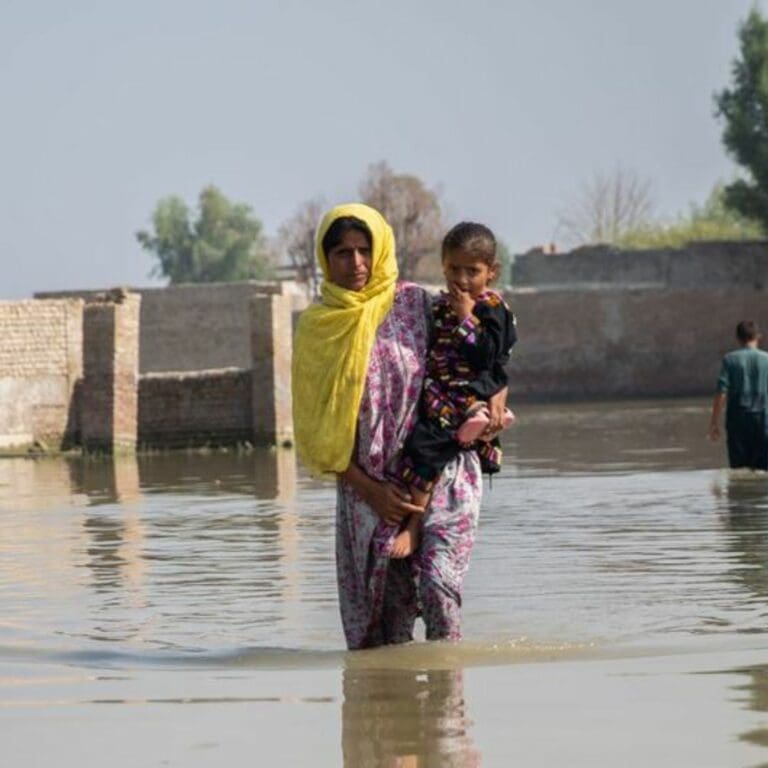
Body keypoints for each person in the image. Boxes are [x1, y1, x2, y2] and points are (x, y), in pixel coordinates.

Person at [292, 203, 484, 649]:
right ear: (326, 259)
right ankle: (394, 693)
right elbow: (316, 431)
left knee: (439, 586)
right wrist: (372, 491)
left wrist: (493, 404)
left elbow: (478, 354)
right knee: (386, 626)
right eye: (342, 253)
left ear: (379, 250)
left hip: (438, 468)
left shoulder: (417, 304)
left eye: (364, 250)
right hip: (369, 489)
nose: (356, 263)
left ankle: (449, 687)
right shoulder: (319, 329)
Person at [391, 222, 517, 559]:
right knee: (423, 442)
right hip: (440, 390)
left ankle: (414, 524)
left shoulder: (493, 308)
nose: (461, 279)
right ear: (443, 267)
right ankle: (475, 420)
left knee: (423, 450)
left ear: (491, 272)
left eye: (472, 271)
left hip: (469, 389)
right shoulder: (437, 306)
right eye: (453, 269)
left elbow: (489, 356)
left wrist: (466, 316)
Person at [709, 320, 768, 470]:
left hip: (737, 421)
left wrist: (714, 422)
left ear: (738, 338)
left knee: (739, 469)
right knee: (763, 470)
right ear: (758, 336)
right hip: (764, 420)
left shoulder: (730, 360)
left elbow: (722, 392)